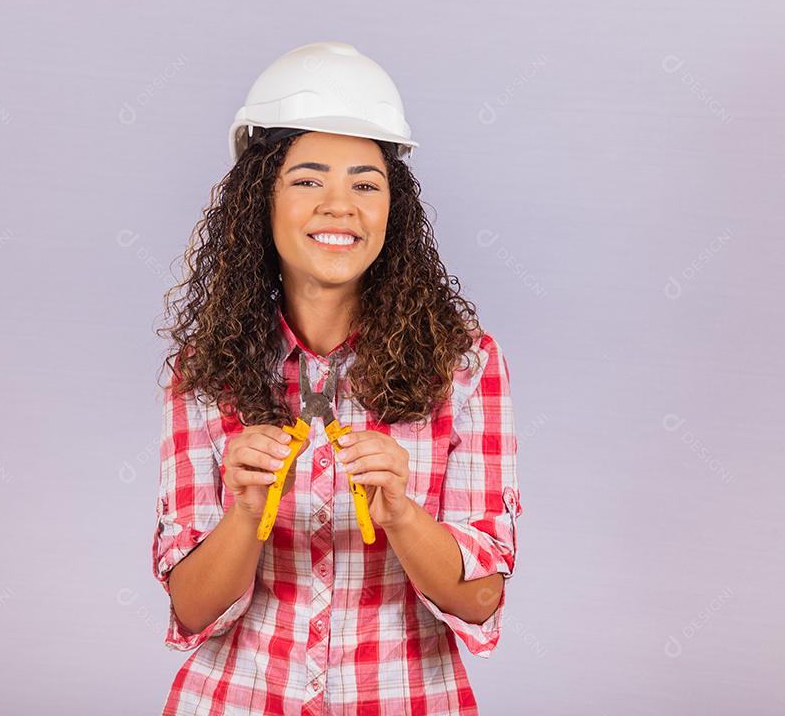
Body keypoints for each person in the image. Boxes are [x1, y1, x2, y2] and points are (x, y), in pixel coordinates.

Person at [151, 42, 522, 716]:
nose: (339, 205)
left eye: (365, 183)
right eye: (307, 179)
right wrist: (243, 512)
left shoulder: (465, 366)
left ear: (393, 208)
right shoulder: (204, 372)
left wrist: (404, 518)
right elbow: (190, 605)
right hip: (238, 697)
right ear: (259, 200)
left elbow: (481, 598)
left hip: (406, 697)